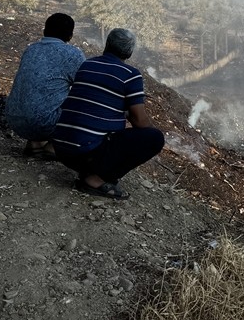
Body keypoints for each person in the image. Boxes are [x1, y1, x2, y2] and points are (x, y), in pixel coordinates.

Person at [50, 28, 164, 199]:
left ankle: (91, 171)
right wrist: (149, 131)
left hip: (61, 149)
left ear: (107, 45)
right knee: (154, 138)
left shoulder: (87, 65)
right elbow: (140, 121)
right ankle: (95, 180)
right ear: (130, 52)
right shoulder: (130, 75)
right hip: (86, 152)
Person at [4, 12, 86, 157]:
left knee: (41, 91)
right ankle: (54, 146)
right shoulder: (73, 54)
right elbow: (86, 88)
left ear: (44, 31)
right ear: (70, 36)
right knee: (85, 99)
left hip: (13, 119)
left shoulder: (31, 49)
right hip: (42, 123)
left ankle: (34, 143)